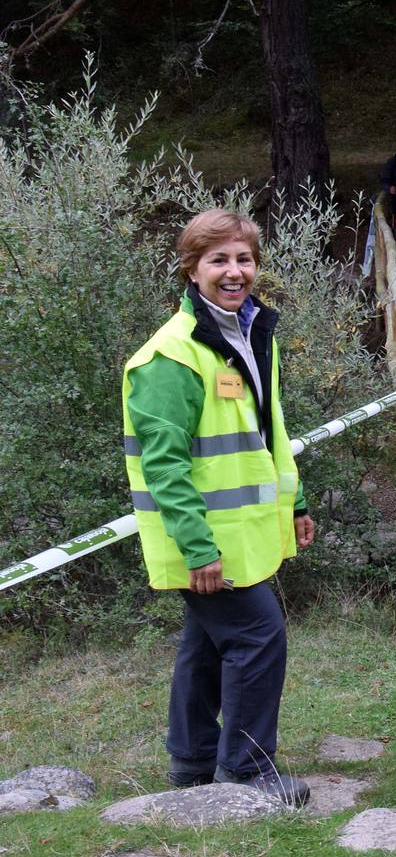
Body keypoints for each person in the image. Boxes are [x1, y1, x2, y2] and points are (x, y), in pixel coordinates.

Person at [122, 209, 315, 805]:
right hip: (203, 538)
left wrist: (297, 503)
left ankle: (193, 764)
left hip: (244, 530)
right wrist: (197, 547)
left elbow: (269, 432)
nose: (235, 273)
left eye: (245, 259)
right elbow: (164, 466)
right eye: (219, 260)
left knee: (205, 642)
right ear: (192, 268)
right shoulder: (171, 356)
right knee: (259, 636)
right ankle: (248, 771)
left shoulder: (252, 332)